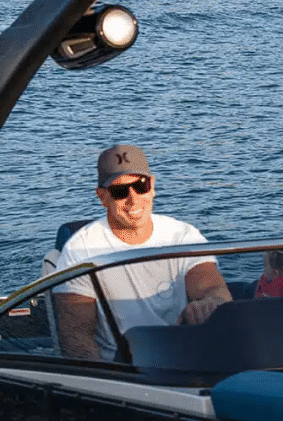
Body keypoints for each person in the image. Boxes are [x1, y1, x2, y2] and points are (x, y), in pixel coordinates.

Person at [54, 144, 232, 361]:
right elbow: (77, 337)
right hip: (124, 370)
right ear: (102, 197)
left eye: (141, 185)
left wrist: (209, 303)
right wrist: (110, 381)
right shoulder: (80, 251)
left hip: (183, 359)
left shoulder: (183, 236)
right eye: (120, 191)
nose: (133, 199)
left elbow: (214, 289)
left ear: (153, 186)